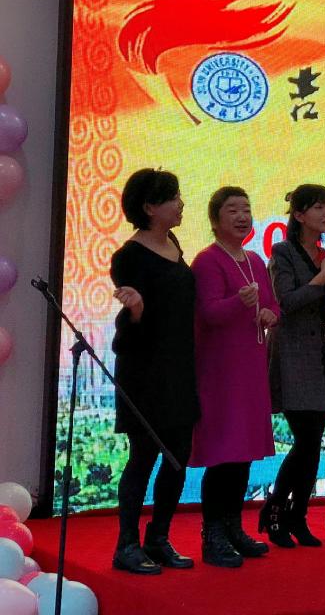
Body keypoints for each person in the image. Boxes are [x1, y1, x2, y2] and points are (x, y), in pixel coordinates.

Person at [110, 168, 198, 575]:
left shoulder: (174, 244)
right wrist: (137, 310)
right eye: (173, 198)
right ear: (149, 207)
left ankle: (158, 537)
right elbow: (128, 332)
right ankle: (126, 544)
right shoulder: (128, 256)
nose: (181, 204)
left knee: (178, 456)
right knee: (143, 456)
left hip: (179, 367)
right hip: (144, 372)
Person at [190, 187, 279, 567]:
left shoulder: (255, 260)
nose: (242, 217)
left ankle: (233, 527)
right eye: (232, 210)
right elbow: (208, 314)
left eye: (246, 209)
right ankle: (212, 535)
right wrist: (238, 303)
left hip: (251, 370)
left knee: (242, 454)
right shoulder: (207, 261)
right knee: (223, 455)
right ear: (215, 220)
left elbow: (271, 304)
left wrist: (269, 313)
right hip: (221, 373)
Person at [262, 185, 325, 549]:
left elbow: (317, 307)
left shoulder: (324, 255)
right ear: (299, 215)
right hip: (290, 352)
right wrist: (322, 277)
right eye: (318, 207)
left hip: (315, 354)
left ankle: (297, 517)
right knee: (306, 440)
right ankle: (275, 510)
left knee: (313, 442)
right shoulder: (283, 252)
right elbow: (286, 301)